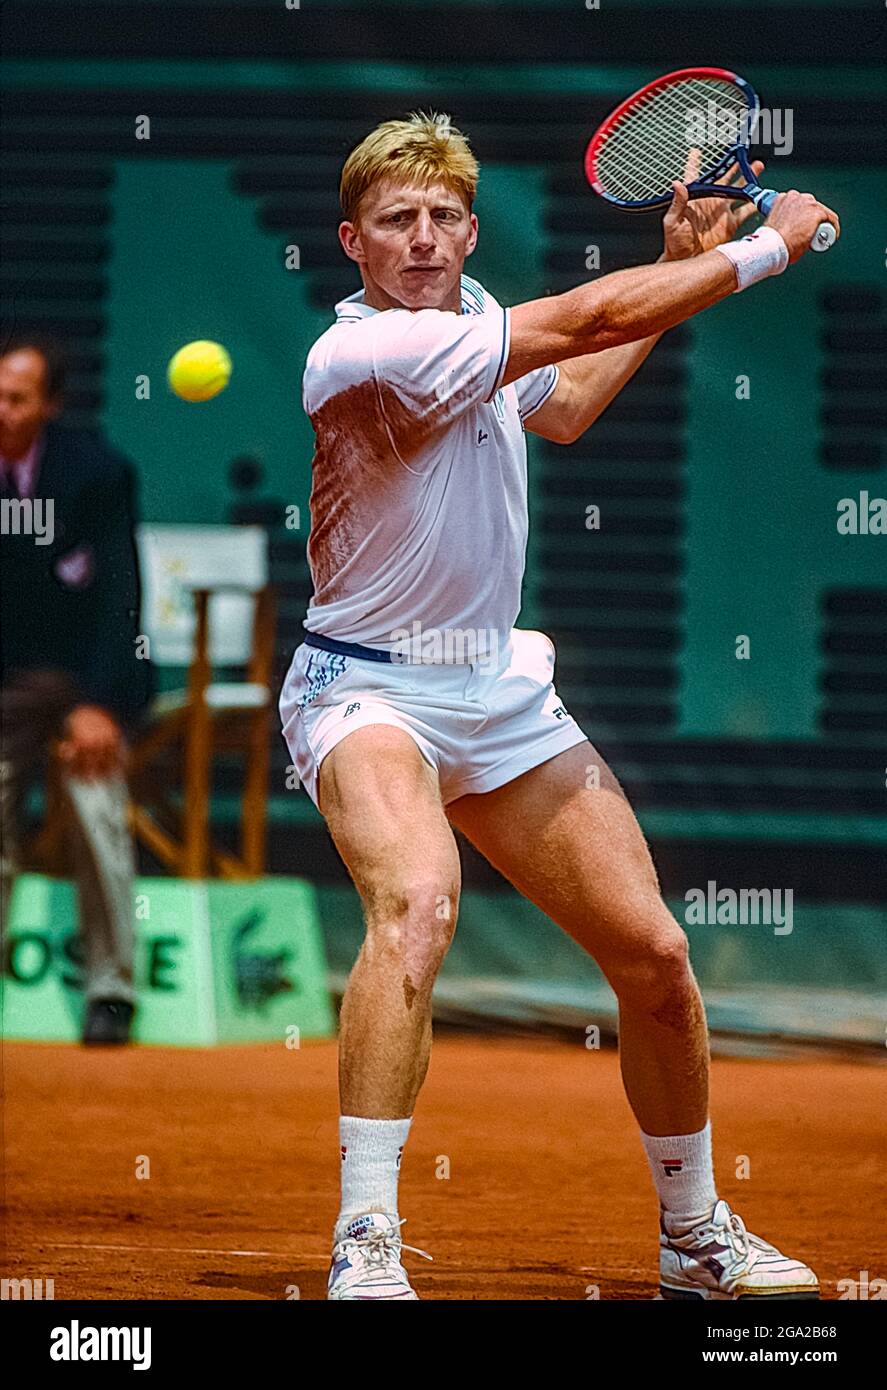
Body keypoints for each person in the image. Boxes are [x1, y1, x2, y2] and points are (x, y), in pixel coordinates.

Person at [279, 112, 839, 1300]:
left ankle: (691, 1235)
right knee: (420, 903)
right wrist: (759, 249)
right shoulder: (360, 357)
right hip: (365, 685)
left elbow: (572, 392)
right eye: (395, 221)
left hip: (494, 685)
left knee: (653, 956)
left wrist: (684, 254)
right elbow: (589, 315)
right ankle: (365, 1241)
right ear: (352, 243)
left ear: (471, 231)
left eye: (441, 218)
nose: (422, 239)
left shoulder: (480, 330)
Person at [0, 334, 151, 1044]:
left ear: (50, 405)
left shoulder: (98, 472)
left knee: (95, 804)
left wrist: (98, 704)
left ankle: (111, 993)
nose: (0, 410)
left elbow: (121, 595)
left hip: (86, 673)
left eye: (15, 399)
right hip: (9, 682)